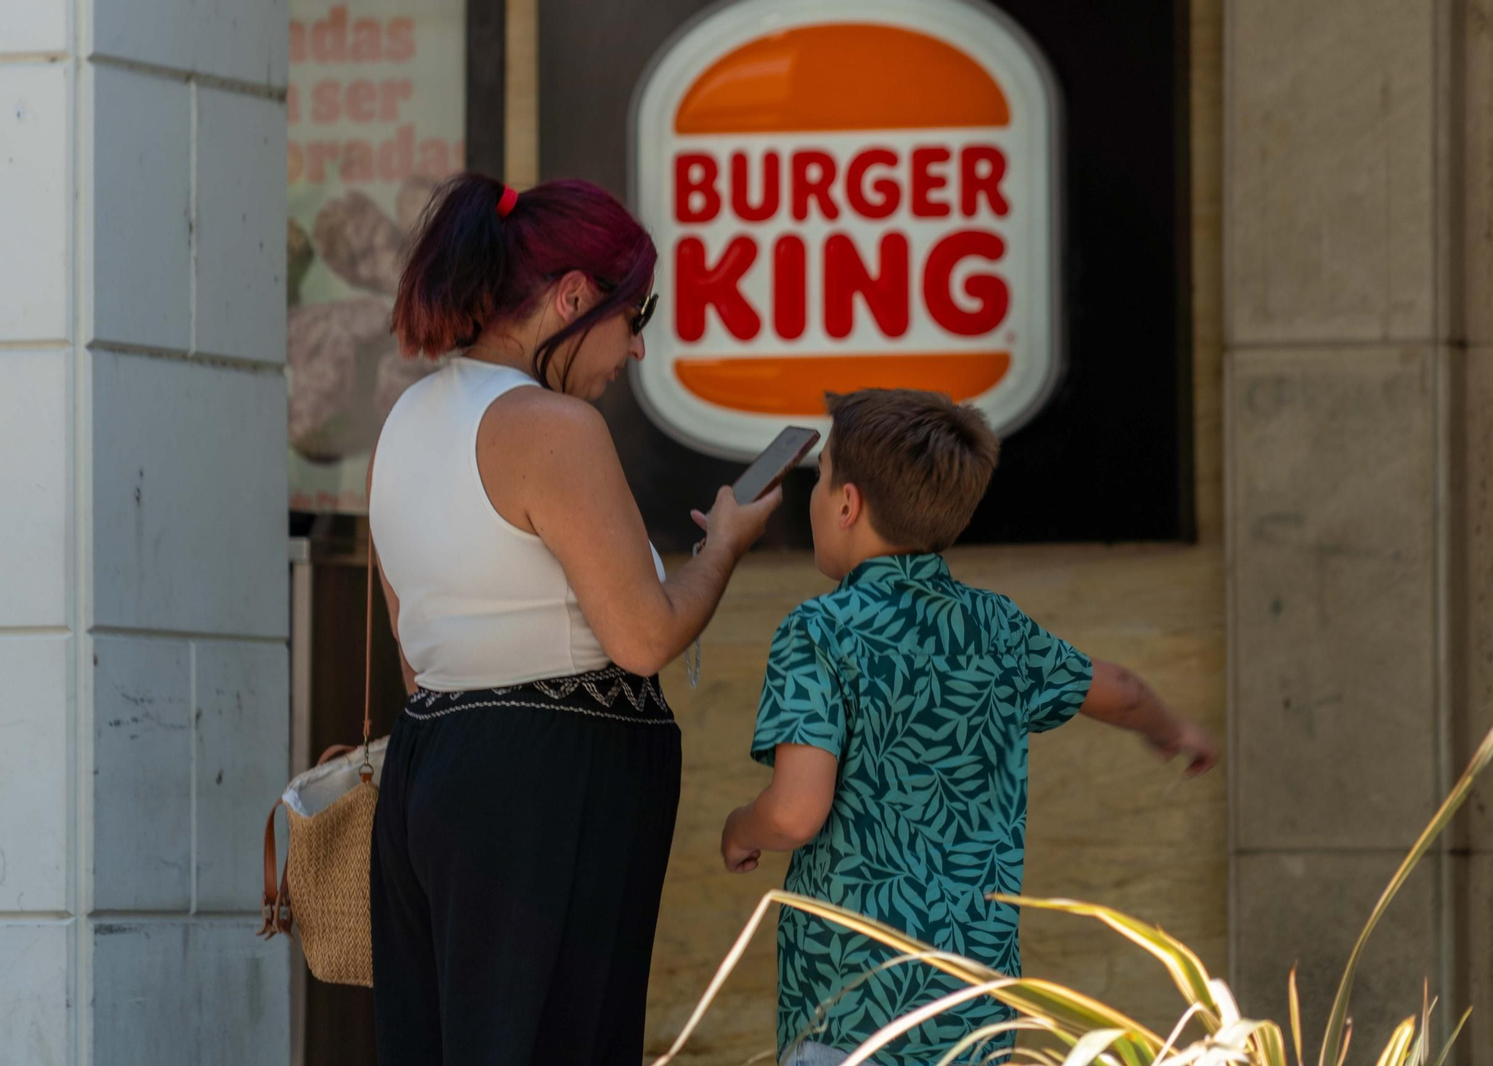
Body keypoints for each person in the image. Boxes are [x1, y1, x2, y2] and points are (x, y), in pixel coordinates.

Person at [366, 173, 782, 1065]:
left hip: (432, 768)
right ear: (572, 297)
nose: (635, 348)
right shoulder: (552, 426)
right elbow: (643, 638)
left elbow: (415, 654)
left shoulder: (405, 420)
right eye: (636, 315)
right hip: (547, 793)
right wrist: (724, 547)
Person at [720, 389, 1219, 1066]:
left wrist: (739, 829)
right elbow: (1122, 691)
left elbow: (794, 813)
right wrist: (1171, 731)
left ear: (847, 505)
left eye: (822, 476)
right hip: (971, 1010)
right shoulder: (997, 628)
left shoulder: (819, 631)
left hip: (851, 1009)